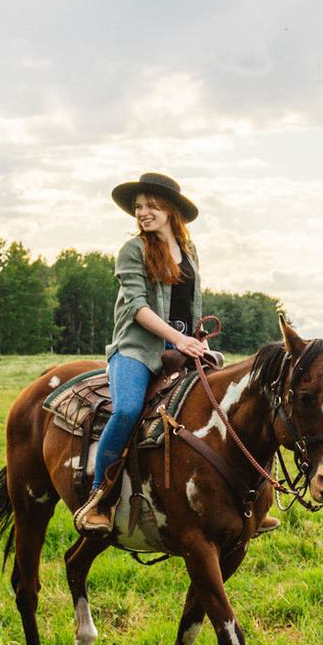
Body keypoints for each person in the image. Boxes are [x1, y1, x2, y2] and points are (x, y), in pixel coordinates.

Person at [75, 173, 214, 534]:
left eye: (152, 206)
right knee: (127, 410)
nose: (143, 212)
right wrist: (178, 340)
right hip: (137, 349)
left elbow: (190, 306)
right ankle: (99, 498)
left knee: (227, 403)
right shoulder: (133, 250)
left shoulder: (189, 252)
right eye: (138, 207)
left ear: (170, 211)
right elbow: (137, 306)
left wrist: (197, 340)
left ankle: (240, 499)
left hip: (182, 346)